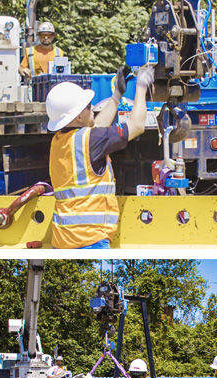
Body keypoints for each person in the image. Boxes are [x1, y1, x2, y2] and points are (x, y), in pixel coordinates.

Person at [45, 65, 154, 249]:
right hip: (90, 241)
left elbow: (98, 126)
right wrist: (142, 86)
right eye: (88, 107)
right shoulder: (91, 140)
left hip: (63, 240)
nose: (92, 108)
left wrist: (117, 95)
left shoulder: (60, 141)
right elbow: (136, 126)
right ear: (79, 117)